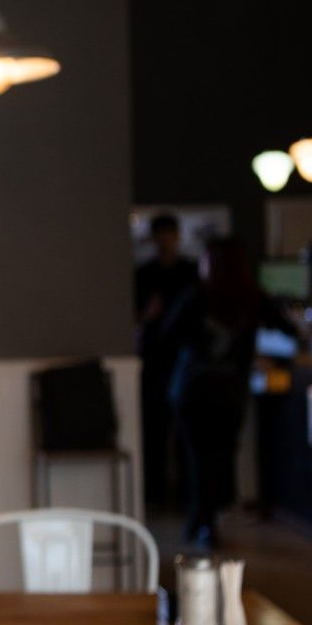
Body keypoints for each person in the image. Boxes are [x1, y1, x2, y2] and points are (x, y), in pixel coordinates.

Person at [161, 236, 292, 548]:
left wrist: (196, 348)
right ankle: (205, 520)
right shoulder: (252, 297)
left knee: (197, 458)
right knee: (219, 458)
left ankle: (200, 520)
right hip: (229, 391)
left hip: (193, 389)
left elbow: (167, 332)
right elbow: (288, 328)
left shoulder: (198, 296)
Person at [134, 212, 199, 509]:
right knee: (154, 431)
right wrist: (147, 317)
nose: (165, 241)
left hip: (185, 359)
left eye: (169, 235)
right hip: (154, 360)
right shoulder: (144, 274)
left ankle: (188, 495)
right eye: (160, 235)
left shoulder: (190, 272)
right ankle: (155, 494)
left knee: (188, 432)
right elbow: (134, 317)